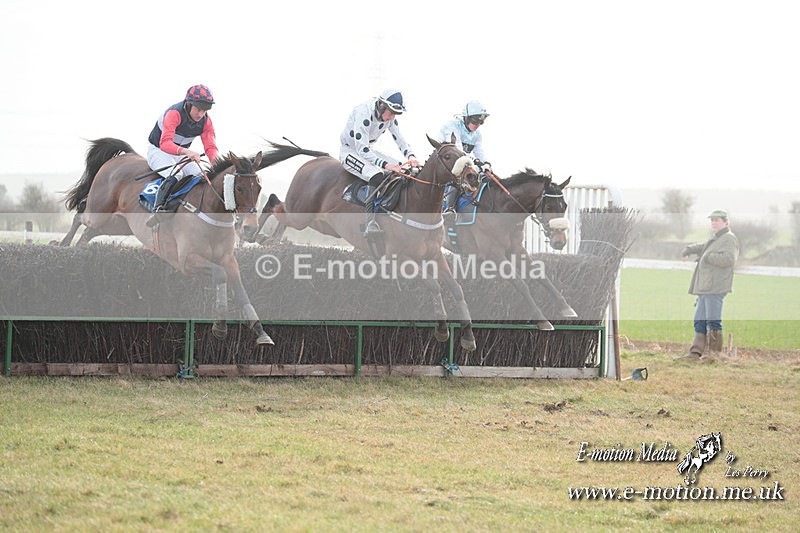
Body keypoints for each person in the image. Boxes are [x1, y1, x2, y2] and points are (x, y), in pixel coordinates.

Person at [340, 89, 420, 237]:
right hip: (351, 151)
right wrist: (384, 165)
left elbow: (400, 139)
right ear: (381, 105)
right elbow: (362, 149)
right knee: (377, 174)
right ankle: (370, 223)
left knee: (404, 170)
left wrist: (412, 156)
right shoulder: (363, 113)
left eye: (396, 114)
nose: (392, 117)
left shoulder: (390, 118)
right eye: (391, 112)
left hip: (368, 150)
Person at [146, 84, 220, 227]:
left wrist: (217, 167)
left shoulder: (206, 121)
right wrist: (187, 152)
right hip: (159, 151)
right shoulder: (174, 113)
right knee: (177, 174)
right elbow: (165, 143)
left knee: (201, 175)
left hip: (180, 153)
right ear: (188, 103)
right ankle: (158, 209)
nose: (201, 114)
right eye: (198, 109)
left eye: (204, 110)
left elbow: (210, 147)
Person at [675, 210, 739, 361]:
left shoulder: (729, 239)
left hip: (716, 287)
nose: (714, 223)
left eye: (717, 220)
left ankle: (713, 356)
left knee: (713, 321)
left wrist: (708, 257)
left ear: (725, 222)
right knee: (699, 320)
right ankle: (695, 353)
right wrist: (690, 249)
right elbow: (704, 246)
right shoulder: (717, 238)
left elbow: (729, 259)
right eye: (712, 220)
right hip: (705, 286)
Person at [438, 100, 491, 216]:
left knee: (482, 178)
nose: (478, 124)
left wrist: (486, 164)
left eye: (481, 122)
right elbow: (458, 150)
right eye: (475, 121)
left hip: (464, 163)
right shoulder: (452, 126)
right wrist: (476, 162)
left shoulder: (477, 134)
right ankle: (449, 209)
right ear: (466, 118)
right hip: (446, 162)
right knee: (456, 179)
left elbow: (479, 151)